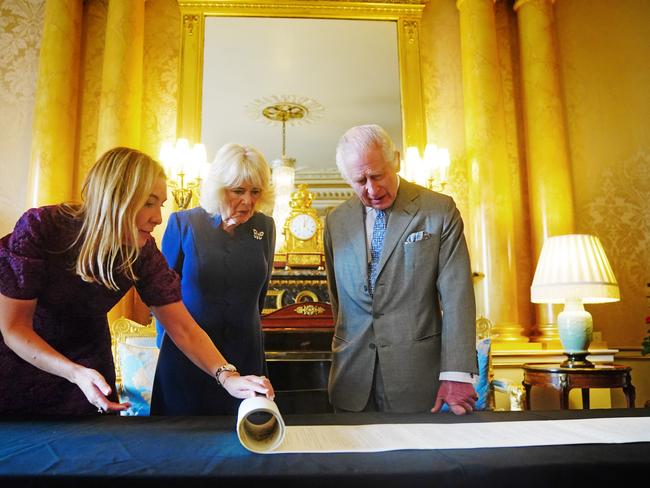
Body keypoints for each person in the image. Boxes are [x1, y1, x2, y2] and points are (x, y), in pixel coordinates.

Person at [0, 147, 273, 416]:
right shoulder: (42, 228)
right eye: (149, 203)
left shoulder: (142, 252)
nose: (158, 217)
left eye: (161, 205)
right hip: (22, 361)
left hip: (89, 365)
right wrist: (73, 372)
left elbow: (182, 327)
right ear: (116, 197)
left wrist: (227, 376)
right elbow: (14, 329)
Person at [324, 124, 477, 415]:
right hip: (351, 380)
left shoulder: (438, 210)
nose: (372, 189)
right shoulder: (335, 221)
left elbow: (457, 296)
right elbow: (337, 299)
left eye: (377, 175)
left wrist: (456, 374)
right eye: (360, 181)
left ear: (394, 160)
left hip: (417, 380)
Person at [150, 143, 276, 415]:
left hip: (246, 354)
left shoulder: (265, 227)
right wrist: (168, 347)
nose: (248, 201)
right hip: (187, 357)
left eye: (255, 192)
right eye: (238, 191)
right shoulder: (183, 223)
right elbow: (160, 298)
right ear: (220, 187)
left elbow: (260, 295)